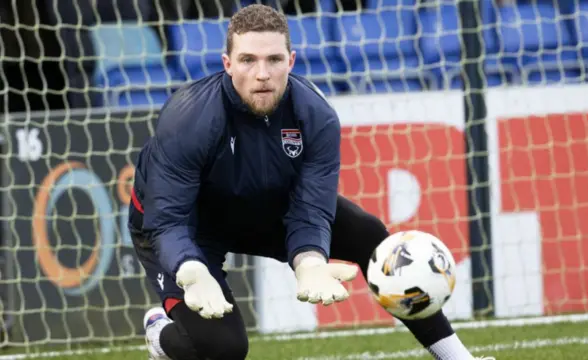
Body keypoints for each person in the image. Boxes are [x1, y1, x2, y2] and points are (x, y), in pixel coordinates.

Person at [129, 4, 494, 360]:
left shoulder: (316, 116)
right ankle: (161, 334)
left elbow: (311, 206)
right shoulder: (189, 117)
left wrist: (309, 261)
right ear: (227, 64)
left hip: (263, 206)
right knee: (224, 349)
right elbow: (168, 219)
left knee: (371, 236)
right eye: (247, 60)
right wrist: (189, 270)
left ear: (292, 61)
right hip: (187, 225)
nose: (262, 74)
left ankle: (457, 356)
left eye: (274, 60)